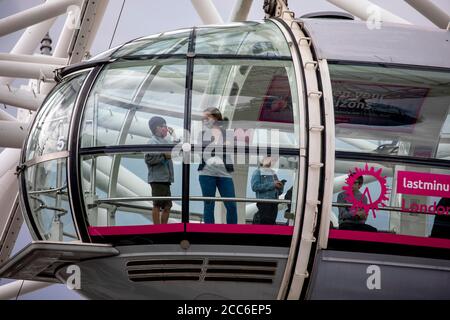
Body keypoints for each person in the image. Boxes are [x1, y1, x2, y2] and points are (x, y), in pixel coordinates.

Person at [198, 107, 237, 224]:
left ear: (215, 118)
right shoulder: (202, 134)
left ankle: (233, 231)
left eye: (207, 117)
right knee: (209, 204)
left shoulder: (228, 134)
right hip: (206, 173)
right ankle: (209, 231)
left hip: (225, 174)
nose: (205, 120)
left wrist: (216, 146)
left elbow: (229, 150)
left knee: (231, 205)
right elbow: (203, 152)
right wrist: (220, 146)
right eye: (203, 118)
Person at [144, 116, 174, 224]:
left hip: (165, 179)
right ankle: (157, 228)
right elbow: (149, 158)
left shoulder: (164, 141)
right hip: (157, 179)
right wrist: (164, 156)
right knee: (157, 204)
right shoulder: (152, 142)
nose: (166, 129)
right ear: (157, 128)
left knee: (167, 205)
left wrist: (172, 134)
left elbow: (174, 148)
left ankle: (163, 227)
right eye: (164, 126)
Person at [251, 156, 284, 225]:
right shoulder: (257, 172)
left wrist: (280, 186)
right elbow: (254, 187)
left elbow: (278, 192)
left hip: (274, 202)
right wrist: (273, 185)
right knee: (265, 223)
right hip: (264, 202)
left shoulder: (273, 173)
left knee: (271, 223)